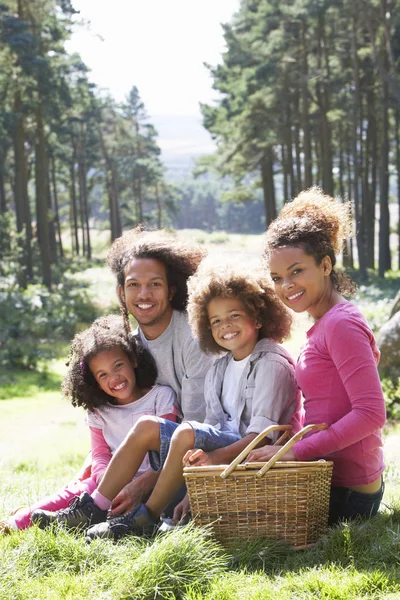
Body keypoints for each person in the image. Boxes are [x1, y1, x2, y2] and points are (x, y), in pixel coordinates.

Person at [49, 261, 302, 541]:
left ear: (257, 317)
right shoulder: (219, 367)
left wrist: (212, 459)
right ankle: (94, 507)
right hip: (224, 453)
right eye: (216, 320)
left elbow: (263, 439)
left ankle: (147, 517)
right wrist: (196, 482)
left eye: (234, 316)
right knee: (148, 426)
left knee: (185, 431)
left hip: (252, 460)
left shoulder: (271, 364)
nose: (225, 326)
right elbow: (212, 428)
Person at [247, 187, 386, 525]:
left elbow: (371, 413)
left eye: (297, 271)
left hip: (350, 489)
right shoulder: (325, 323)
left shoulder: (341, 324)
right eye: (277, 277)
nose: (286, 286)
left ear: (325, 265)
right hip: (324, 475)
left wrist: (295, 452)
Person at [76, 228, 214, 517]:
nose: (144, 294)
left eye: (155, 284)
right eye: (133, 285)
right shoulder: (131, 349)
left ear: (171, 290)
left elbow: (195, 427)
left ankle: (124, 511)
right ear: (121, 293)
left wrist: (145, 481)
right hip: (158, 453)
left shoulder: (192, 337)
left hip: (203, 449)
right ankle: (68, 511)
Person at [0, 315, 177, 534]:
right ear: (94, 381)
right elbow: (100, 455)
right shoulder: (99, 411)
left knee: (101, 503)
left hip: (151, 483)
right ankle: (19, 522)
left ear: (133, 360)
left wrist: (136, 485)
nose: (114, 377)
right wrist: (108, 483)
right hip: (109, 481)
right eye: (103, 374)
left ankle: (63, 518)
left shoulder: (160, 397)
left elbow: (167, 448)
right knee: (77, 492)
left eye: (118, 365)